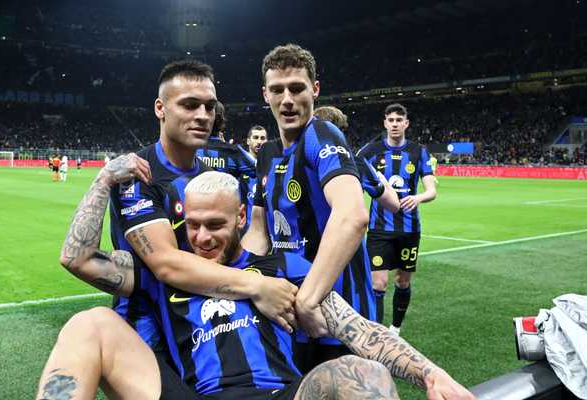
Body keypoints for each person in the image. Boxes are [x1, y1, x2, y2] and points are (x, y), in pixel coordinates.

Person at [39, 170, 474, 400]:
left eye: (216, 225)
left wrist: (430, 374)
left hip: (279, 394)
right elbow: (76, 258)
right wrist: (101, 182)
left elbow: (357, 330)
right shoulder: (160, 272)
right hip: (193, 395)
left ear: (242, 219)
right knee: (91, 323)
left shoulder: (282, 268)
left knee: (363, 372)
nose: (202, 237)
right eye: (192, 225)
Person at [59, 60, 298, 377]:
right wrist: (257, 286)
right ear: (160, 108)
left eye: (209, 107)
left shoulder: (213, 177)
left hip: (202, 315)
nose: (203, 116)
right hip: (149, 324)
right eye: (189, 105)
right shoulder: (138, 174)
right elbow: (166, 264)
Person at [243, 43, 399, 372]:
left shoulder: (321, 136)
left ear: (314, 90)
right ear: (265, 94)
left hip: (337, 315)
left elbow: (352, 215)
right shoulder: (267, 155)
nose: (287, 99)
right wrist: (240, 280)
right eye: (277, 90)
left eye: (297, 88)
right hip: (291, 313)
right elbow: (258, 233)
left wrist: (309, 297)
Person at [357, 103, 437, 334]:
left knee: (403, 281)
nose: (394, 124)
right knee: (378, 283)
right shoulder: (371, 152)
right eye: (390, 120)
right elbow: (354, 180)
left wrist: (418, 198)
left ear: (406, 124)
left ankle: (396, 328)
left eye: (398, 120)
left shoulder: (418, 151)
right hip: (379, 229)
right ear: (385, 123)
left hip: (410, 230)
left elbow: (432, 190)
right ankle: (377, 332)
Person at [238, 125, 268, 231]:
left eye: (262, 138)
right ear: (248, 141)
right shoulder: (238, 168)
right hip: (245, 230)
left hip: (267, 231)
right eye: (255, 137)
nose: (259, 142)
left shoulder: (272, 167)